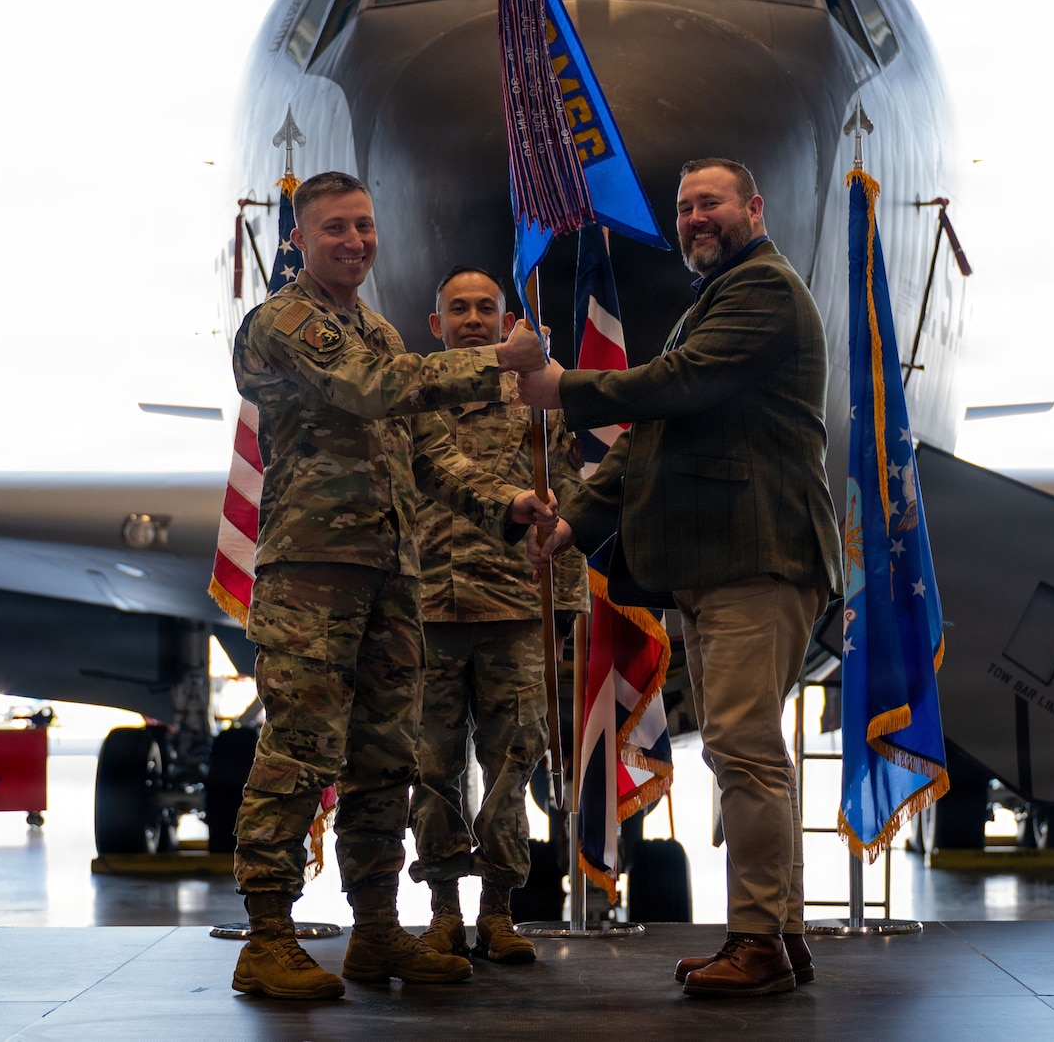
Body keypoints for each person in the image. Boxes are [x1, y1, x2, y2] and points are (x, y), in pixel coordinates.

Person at [229, 170, 557, 1002]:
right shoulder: (284, 321)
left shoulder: (374, 328)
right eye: (335, 227)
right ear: (301, 239)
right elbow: (371, 388)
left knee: (384, 759)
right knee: (301, 748)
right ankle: (267, 935)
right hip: (311, 573)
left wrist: (508, 504)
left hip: (389, 576)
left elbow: (428, 454)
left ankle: (376, 930)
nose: (355, 241)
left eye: (365, 226)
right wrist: (499, 360)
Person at [520, 158, 842, 1000]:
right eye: (686, 206)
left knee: (743, 750)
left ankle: (758, 941)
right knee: (751, 751)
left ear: (754, 208)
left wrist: (561, 388)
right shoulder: (715, 300)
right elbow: (650, 437)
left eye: (713, 202)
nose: (697, 217)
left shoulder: (762, 290)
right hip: (721, 561)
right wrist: (574, 524)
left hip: (755, 558)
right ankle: (781, 935)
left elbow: (679, 384)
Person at [408, 265, 588, 966]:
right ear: (437, 324)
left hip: (516, 611)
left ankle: (500, 911)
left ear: (508, 320)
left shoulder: (537, 399)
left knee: (514, 764)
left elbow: (567, 503)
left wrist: (563, 607)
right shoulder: (413, 397)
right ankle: (444, 911)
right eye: (459, 309)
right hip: (429, 612)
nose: (474, 320)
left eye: (487, 308)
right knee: (431, 768)